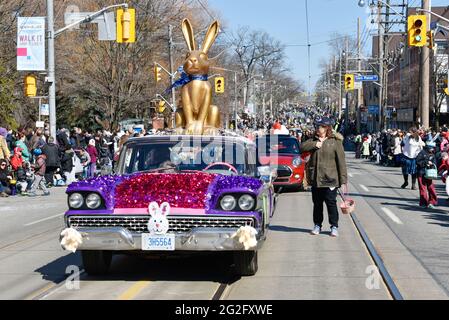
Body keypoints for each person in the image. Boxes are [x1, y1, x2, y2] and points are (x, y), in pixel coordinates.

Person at [300, 117, 348, 238]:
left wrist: (343, 180)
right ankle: (317, 225)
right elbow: (301, 148)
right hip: (316, 178)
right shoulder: (312, 140)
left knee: (331, 203)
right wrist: (315, 144)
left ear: (327, 128)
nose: (318, 128)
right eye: (317, 126)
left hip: (331, 178)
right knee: (317, 204)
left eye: (320, 126)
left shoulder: (335, 141)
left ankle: (334, 226)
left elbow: (341, 162)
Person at [416, 141, 438, 209]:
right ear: (428, 147)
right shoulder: (422, 153)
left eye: (433, 148)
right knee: (423, 189)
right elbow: (418, 162)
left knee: (431, 188)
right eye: (432, 148)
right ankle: (423, 203)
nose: (433, 149)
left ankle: (432, 202)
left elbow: (435, 163)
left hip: (429, 174)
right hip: (421, 173)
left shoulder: (432, 154)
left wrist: (432, 164)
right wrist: (426, 162)